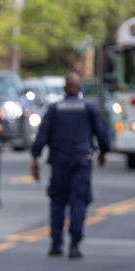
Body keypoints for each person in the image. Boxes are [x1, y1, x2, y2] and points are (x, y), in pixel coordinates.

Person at [30, 72, 110, 259]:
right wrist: (104, 152)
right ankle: (75, 243)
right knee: (78, 202)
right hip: (81, 162)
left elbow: (42, 135)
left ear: (65, 89)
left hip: (59, 162)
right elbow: (102, 132)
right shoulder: (88, 108)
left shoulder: (55, 109)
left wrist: (35, 157)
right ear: (79, 88)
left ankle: (56, 243)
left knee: (58, 201)